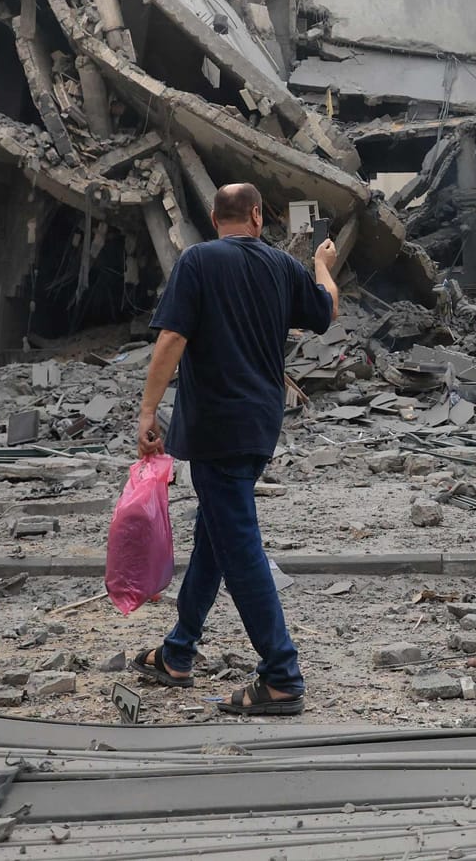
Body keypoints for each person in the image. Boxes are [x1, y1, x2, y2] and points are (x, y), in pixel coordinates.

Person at [131, 184, 338, 715]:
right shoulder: (283, 266)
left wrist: (148, 410)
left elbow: (172, 339)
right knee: (215, 536)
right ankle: (178, 651)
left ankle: (281, 675)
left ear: (212, 216)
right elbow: (325, 311)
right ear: (256, 214)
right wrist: (321, 263)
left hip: (214, 427)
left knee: (238, 544)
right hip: (259, 426)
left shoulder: (198, 260)